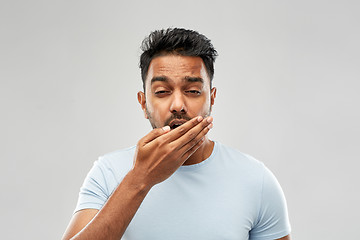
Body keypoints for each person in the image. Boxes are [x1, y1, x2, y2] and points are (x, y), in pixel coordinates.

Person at [62, 28, 291, 240]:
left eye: (192, 91)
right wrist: (140, 179)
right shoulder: (108, 172)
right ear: (144, 104)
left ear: (211, 98)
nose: (178, 105)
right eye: (162, 92)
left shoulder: (256, 180)